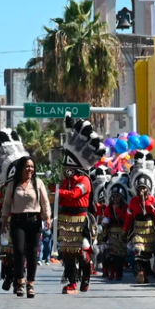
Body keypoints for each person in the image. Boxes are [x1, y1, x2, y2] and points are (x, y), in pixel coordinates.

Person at [58, 113, 105, 295]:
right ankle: (72, 283)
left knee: (82, 251)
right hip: (65, 219)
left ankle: (85, 276)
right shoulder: (65, 181)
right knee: (68, 255)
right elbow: (64, 197)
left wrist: (58, 194)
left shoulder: (84, 180)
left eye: (68, 168)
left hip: (81, 219)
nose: (65, 171)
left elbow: (74, 195)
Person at [0, 128, 29, 292]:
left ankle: (19, 281)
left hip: (25, 223)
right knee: (8, 254)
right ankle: (9, 277)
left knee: (21, 253)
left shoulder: (31, 187)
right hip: (7, 225)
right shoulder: (3, 189)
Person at [1, 157, 51, 298]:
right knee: (18, 251)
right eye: (27, 166)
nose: (30, 169)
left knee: (32, 253)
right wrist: (4, 220)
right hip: (17, 220)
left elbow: (45, 202)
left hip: (34, 220)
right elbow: (6, 203)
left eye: (32, 167)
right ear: (21, 168)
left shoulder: (38, 183)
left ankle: (30, 284)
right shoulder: (12, 184)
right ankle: (20, 282)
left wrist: (47, 217)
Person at [124, 152, 155, 284]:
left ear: (148, 189)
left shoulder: (152, 200)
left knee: (147, 254)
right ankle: (139, 272)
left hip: (149, 229)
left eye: (144, 188)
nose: (141, 191)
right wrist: (125, 230)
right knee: (137, 250)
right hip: (137, 229)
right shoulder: (133, 201)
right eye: (139, 188)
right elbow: (129, 217)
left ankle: (144, 274)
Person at [102, 173, 130, 281]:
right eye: (113, 197)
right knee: (111, 255)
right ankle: (111, 272)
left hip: (122, 234)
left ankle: (119, 273)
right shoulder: (109, 207)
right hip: (112, 234)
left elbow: (125, 218)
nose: (115, 199)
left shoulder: (125, 207)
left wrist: (118, 209)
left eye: (117, 196)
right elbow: (107, 217)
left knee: (120, 256)